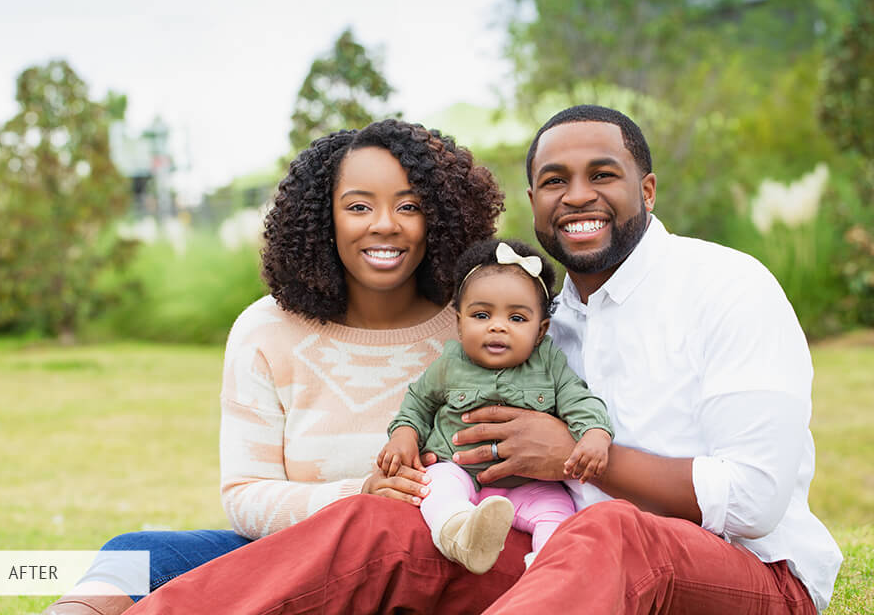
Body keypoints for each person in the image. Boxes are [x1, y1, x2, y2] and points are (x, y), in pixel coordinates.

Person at [122, 105, 843, 615]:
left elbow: (754, 501)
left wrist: (575, 460)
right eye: (555, 181)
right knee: (384, 527)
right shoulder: (535, 319)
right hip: (558, 569)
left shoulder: (726, 286)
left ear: (646, 190)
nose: (578, 196)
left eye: (603, 174)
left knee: (610, 528)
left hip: (743, 580)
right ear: (533, 201)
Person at [41, 119, 504, 615]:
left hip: (428, 564)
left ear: (439, 217)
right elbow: (244, 495)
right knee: (137, 556)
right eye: (358, 207)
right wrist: (360, 495)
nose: (385, 224)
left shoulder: (476, 327)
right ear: (323, 218)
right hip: (296, 557)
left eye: (408, 206)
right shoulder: (265, 330)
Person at [378, 237, 612, 575]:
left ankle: (547, 572)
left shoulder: (549, 364)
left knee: (557, 513)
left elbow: (578, 399)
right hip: (457, 469)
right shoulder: (449, 364)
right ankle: (461, 535)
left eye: (516, 318)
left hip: (527, 483)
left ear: (541, 330)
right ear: (460, 323)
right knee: (433, 489)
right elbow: (417, 403)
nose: (497, 326)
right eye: (481, 315)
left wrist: (594, 434)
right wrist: (404, 435)